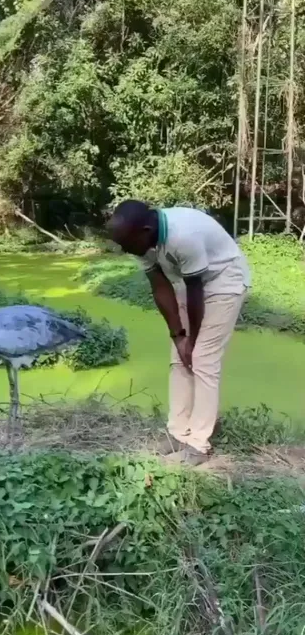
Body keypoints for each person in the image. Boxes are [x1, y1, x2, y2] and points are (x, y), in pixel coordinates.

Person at [107, 200, 250, 466]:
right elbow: (160, 286)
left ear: (146, 231)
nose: (124, 250)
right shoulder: (139, 238)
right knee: (179, 359)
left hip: (223, 281)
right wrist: (178, 336)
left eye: (127, 245)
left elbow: (196, 290)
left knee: (203, 359)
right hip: (190, 283)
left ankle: (198, 442)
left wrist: (192, 340)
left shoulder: (183, 235)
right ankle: (178, 432)